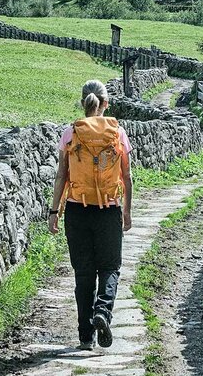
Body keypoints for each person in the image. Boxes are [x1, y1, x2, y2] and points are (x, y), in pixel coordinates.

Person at [48, 80, 133, 350]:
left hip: (77, 209)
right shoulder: (117, 133)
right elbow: (126, 176)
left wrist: (54, 211)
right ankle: (102, 312)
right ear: (105, 104)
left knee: (83, 274)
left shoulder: (70, 133)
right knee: (110, 268)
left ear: (83, 102)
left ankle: (85, 337)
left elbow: (62, 175)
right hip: (108, 209)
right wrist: (127, 212)